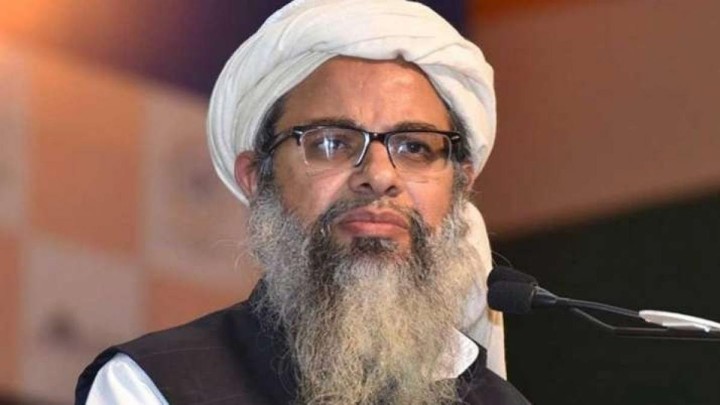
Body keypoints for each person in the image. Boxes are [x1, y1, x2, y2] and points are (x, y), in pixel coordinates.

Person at [75, 0, 529, 404]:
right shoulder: (153, 385)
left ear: (460, 186)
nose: (379, 176)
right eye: (332, 143)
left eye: (414, 147)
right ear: (258, 178)